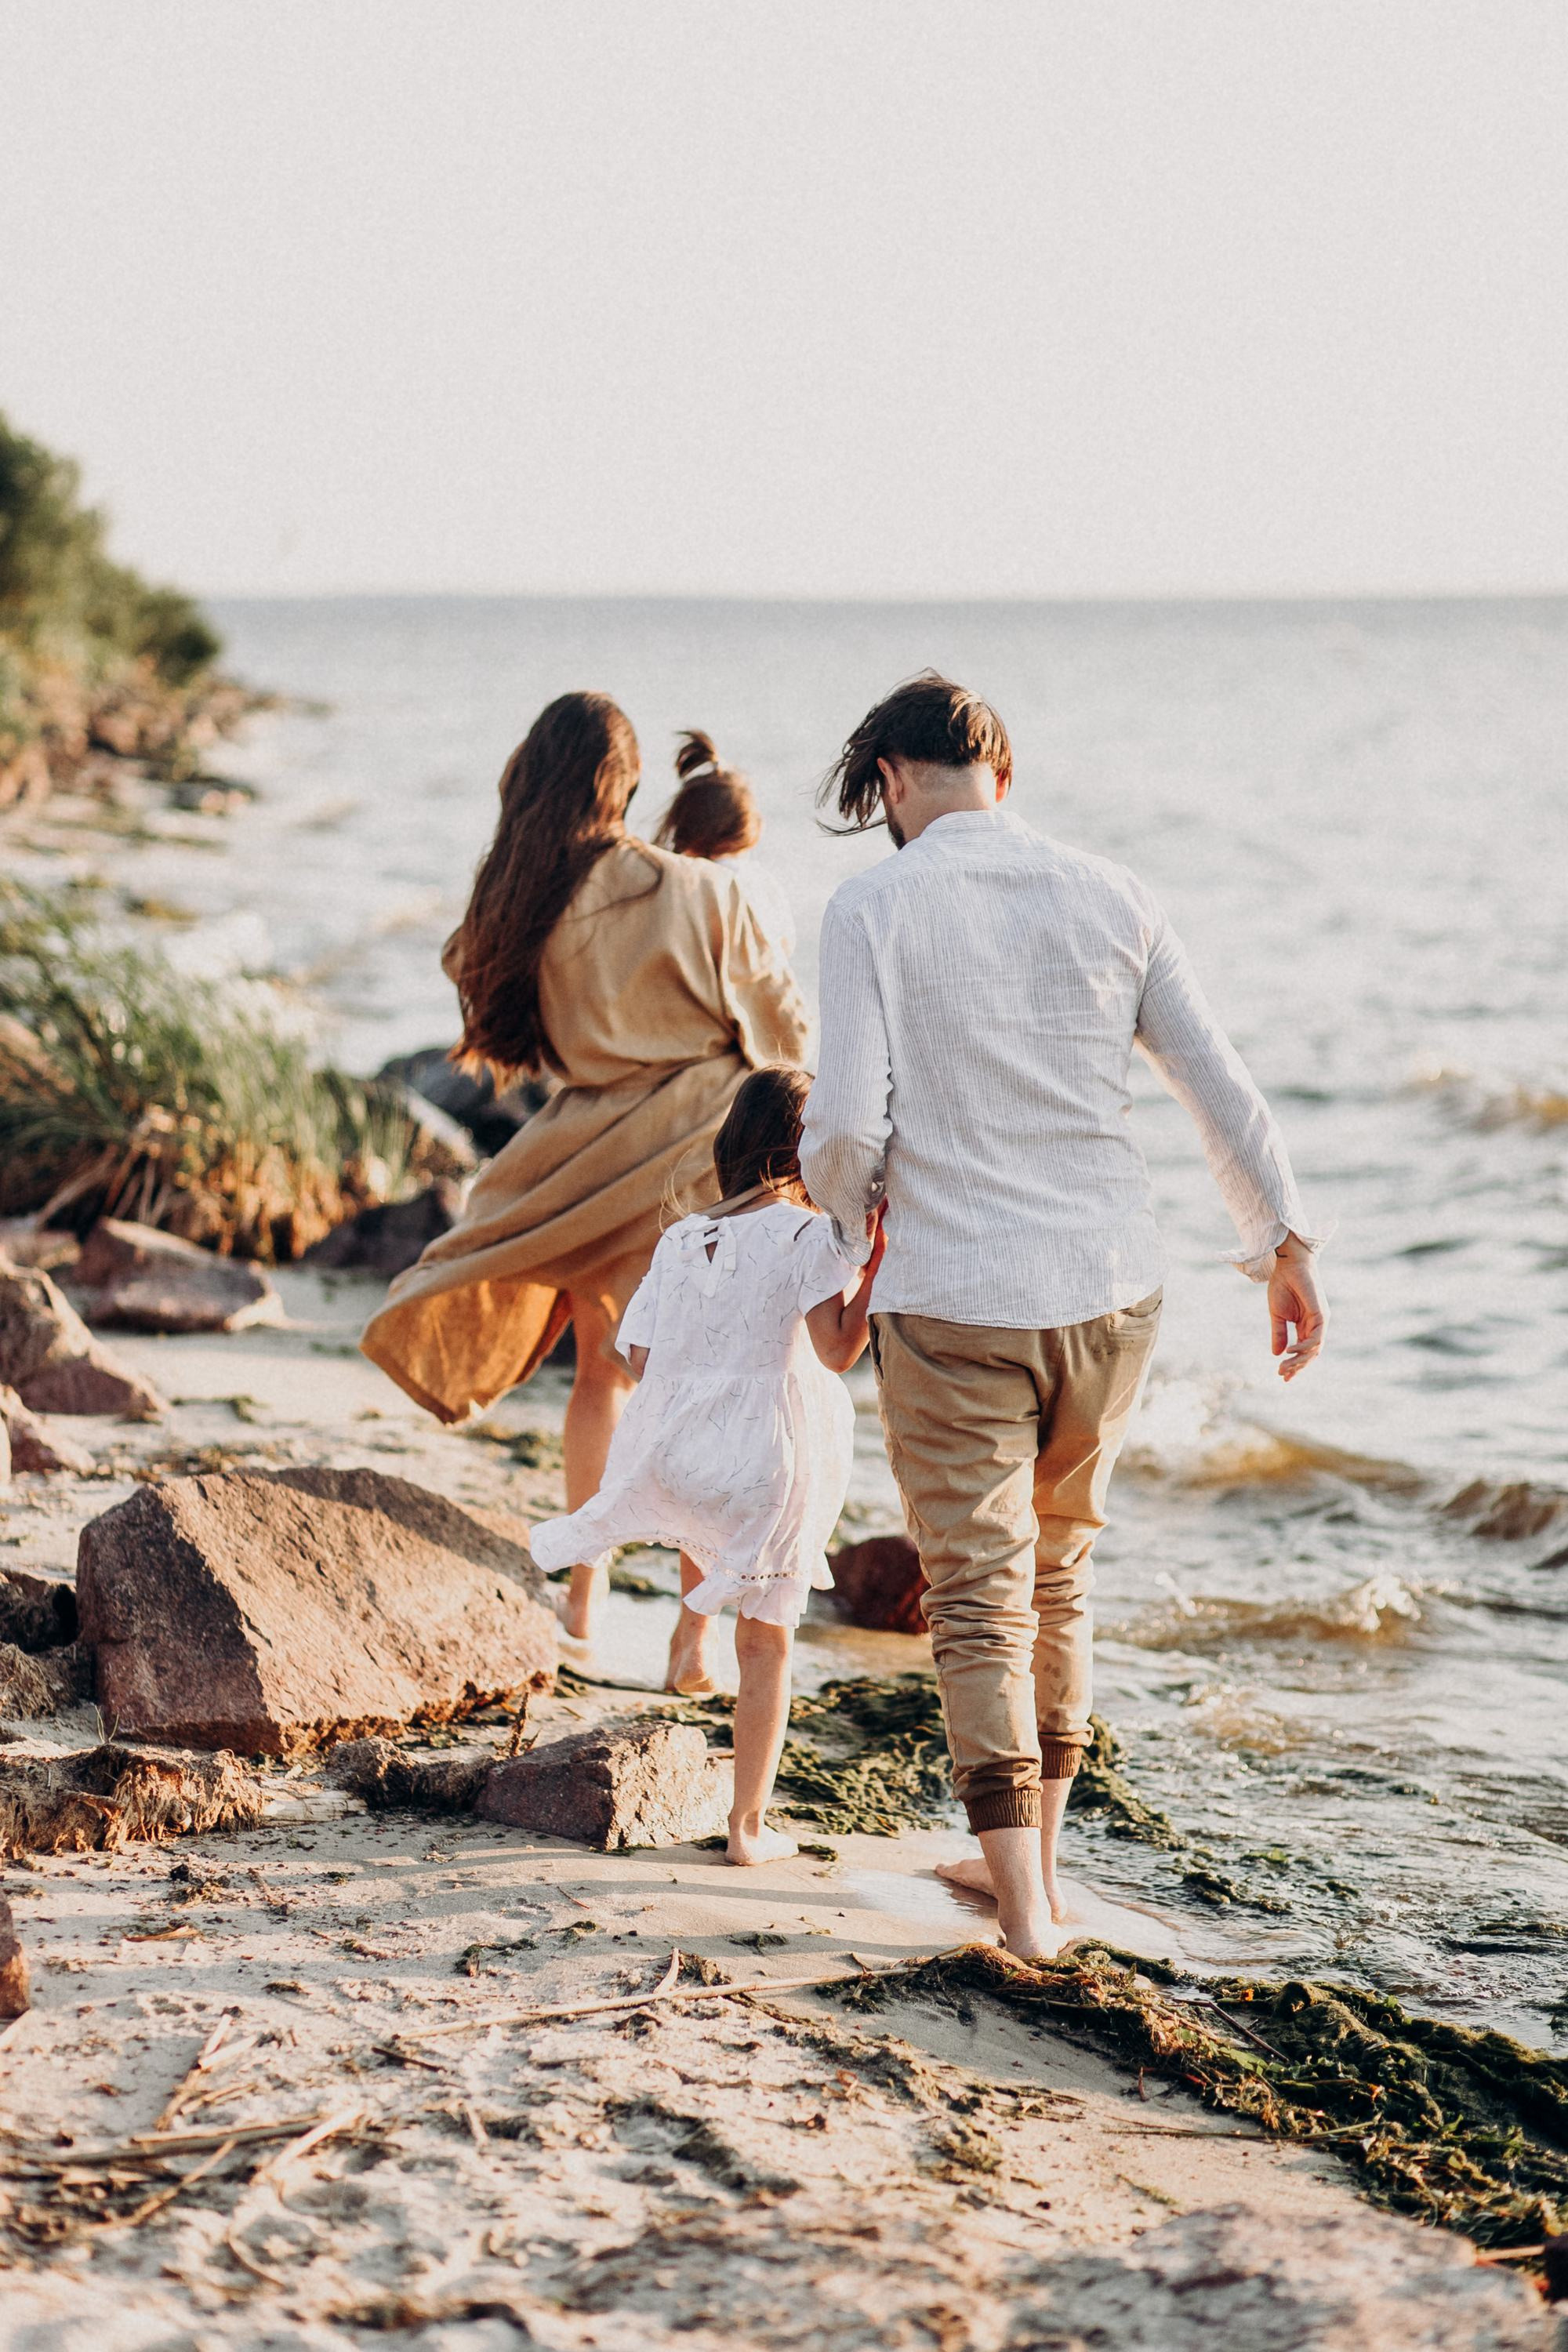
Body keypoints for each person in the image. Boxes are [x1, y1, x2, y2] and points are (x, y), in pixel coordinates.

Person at [800, 672, 1327, 1961]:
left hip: (955, 1294)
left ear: (891, 783)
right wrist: (1284, 1247)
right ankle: (1042, 1870)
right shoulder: (1116, 894)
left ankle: (1023, 1911)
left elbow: (849, 1129)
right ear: (1002, 772)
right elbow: (1222, 1092)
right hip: (1109, 1291)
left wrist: (845, 1244)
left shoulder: (873, 904)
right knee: (1059, 1576)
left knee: (977, 1598)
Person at [361, 691, 810, 1662]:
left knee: (600, 1379)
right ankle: (692, 1637)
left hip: (579, 1153)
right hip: (685, 1155)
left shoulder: (525, 899)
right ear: (624, 782)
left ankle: (582, 1605)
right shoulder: (693, 889)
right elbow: (777, 1031)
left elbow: (530, 1040)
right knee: (692, 1384)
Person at [530, 1065, 885, 1863]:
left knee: (704, 1521)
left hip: (684, 1450)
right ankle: (747, 1828)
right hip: (771, 1456)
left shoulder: (682, 1236)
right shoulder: (808, 1236)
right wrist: (875, 1269)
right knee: (766, 1647)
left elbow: (642, 1357)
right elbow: (834, 1351)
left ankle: (689, 1650)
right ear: (809, 1154)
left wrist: (707, 1385)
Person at [654, 729, 797, 958]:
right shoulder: (766, 884)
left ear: (683, 829)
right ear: (754, 829)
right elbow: (786, 947)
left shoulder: (695, 886)